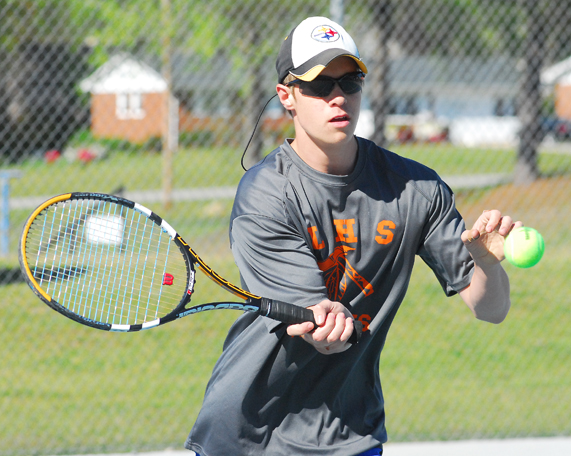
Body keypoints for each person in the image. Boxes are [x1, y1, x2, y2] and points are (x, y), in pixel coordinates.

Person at [185, 16, 520, 456]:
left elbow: (490, 309)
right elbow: (319, 325)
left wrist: (486, 264)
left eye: (350, 81)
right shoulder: (266, 194)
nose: (338, 97)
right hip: (251, 434)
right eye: (320, 85)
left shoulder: (416, 189)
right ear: (287, 97)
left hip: (350, 432)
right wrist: (327, 323)